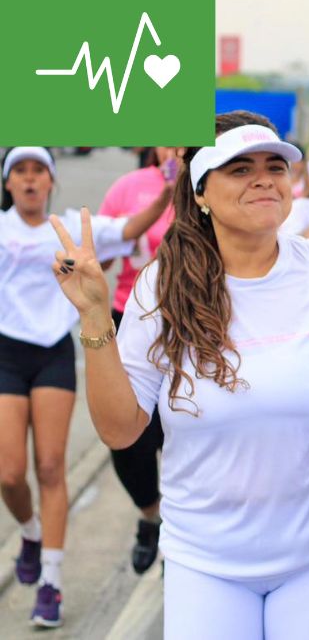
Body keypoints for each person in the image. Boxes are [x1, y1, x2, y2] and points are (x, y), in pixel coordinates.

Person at [49, 112, 309, 638]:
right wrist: (95, 317)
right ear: (201, 193)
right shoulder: (162, 287)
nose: (263, 179)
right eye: (240, 169)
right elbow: (120, 430)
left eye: (275, 166)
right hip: (205, 562)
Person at [1, 146, 173, 627]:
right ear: (8, 182)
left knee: (51, 467)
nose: (30, 179)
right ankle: (30, 532)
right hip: (7, 354)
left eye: (39, 171)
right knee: (10, 474)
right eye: (20, 171)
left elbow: (132, 229)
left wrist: (168, 191)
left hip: (53, 353)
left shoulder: (73, 230)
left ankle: (51, 582)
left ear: (51, 181)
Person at [97, 147, 180, 575]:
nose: (175, 147)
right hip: (129, 318)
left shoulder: (209, 179)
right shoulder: (129, 187)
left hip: (191, 323)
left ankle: (181, 543)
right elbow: (101, 257)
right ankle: (151, 516)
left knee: (183, 431)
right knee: (129, 442)